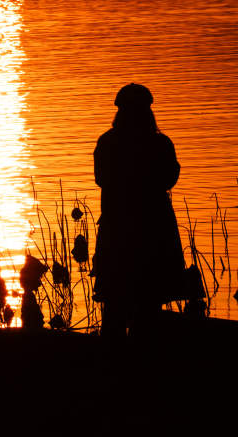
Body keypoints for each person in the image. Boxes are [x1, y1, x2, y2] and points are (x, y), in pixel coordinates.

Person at [92, 84, 184, 341]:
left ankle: (113, 362)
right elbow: (169, 178)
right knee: (149, 302)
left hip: (117, 230)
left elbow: (101, 178)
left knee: (115, 303)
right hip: (154, 230)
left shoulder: (108, 142)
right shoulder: (160, 143)